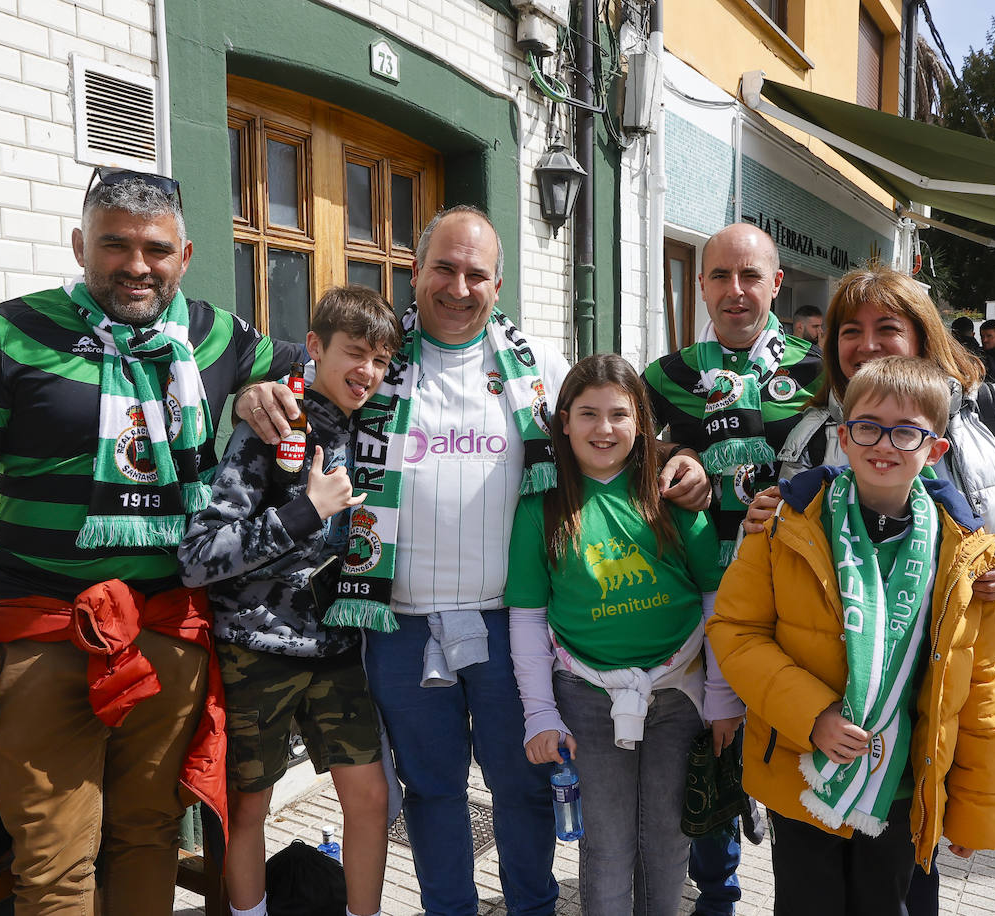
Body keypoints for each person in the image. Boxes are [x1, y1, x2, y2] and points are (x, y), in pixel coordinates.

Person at [0, 169, 306, 914]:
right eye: (114, 244)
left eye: (155, 249)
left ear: (187, 253)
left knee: (146, 835)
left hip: (169, 634)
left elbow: (320, 375)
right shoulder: (3, 335)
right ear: (81, 245)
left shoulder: (220, 338)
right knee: (51, 860)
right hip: (41, 637)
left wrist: (254, 392)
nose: (136, 265)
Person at [270, 205, 708, 916]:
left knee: (524, 786)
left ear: (498, 286)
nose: (459, 286)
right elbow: (297, 372)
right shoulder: (372, 364)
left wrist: (683, 461)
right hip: (401, 623)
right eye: (444, 267)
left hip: (511, 625)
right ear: (415, 273)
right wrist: (260, 389)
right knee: (434, 790)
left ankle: (532, 908)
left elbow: (619, 438)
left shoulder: (541, 375)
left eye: (477, 274)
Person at [745, 264, 995, 916]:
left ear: (920, 333)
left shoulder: (988, 411)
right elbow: (778, 558)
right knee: (909, 857)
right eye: (851, 330)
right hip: (893, 691)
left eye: (887, 327)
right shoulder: (814, 434)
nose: (868, 343)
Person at [711, 355, 995, 915]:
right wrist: (812, 715)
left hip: (901, 785)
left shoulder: (966, 554)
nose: (885, 445)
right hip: (802, 771)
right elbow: (735, 631)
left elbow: (982, 693)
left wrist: (970, 809)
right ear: (843, 437)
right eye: (869, 427)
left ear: (936, 450)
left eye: (907, 433)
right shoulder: (786, 524)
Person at [178, 286, 403, 916]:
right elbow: (197, 558)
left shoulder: (376, 426)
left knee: (370, 797)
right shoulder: (271, 426)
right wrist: (305, 512)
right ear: (313, 348)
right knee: (249, 805)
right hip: (259, 649)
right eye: (355, 353)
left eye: (380, 360)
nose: (368, 372)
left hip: (337, 646)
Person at [506, 354, 744, 915]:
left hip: (677, 694)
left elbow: (716, 601)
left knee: (667, 844)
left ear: (643, 420)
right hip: (587, 699)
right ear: (563, 420)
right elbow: (527, 615)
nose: (604, 429)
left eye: (619, 414)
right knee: (607, 848)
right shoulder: (542, 504)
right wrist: (539, 712)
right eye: (588, 414)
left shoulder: (674, 495)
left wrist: (721, 696)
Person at [642, 221, 822, 915]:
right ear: (701, 286)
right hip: (704, 600)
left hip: (796, 604)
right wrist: (671, 461)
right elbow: (616, 452)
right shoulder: (670, 375)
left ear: (777, 284)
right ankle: (717, 897)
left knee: (793, 749)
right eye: (720, 276)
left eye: (751, 276)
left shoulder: (818, 372)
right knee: (710, 752)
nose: (735, 291)